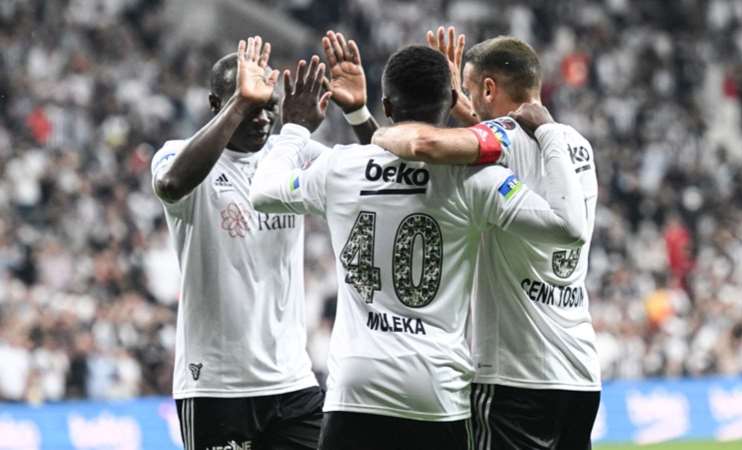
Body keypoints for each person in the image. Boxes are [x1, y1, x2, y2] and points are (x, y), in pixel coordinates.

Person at [249, 44, 586, 450]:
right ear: (451, 100)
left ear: (388, 106)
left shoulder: (339, 167)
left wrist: (294, 130)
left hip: (357, 384)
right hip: (437, 389)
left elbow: (263, 193)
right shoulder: (477, 180)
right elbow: (566, 227)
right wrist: (546, 133)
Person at [373, 28, 601, 450]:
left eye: (471, 89)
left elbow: (425, 143)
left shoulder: (503, 136)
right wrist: (465, 112)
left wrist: (378, 134)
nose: (468, 98)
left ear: (490, 88)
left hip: (516, 377)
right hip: (580, 373)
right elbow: (514, 151)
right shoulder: (576, 144)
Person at [150, 35, 370, 450]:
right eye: (250, 106)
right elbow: (171, 184)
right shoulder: (178, 155)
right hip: (215, 387)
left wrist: (358, 113)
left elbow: (383, 178)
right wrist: (241, 102)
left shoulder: (293, 154)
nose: (264, 118)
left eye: (270, 106)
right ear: (217, 104)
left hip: (292, 382)